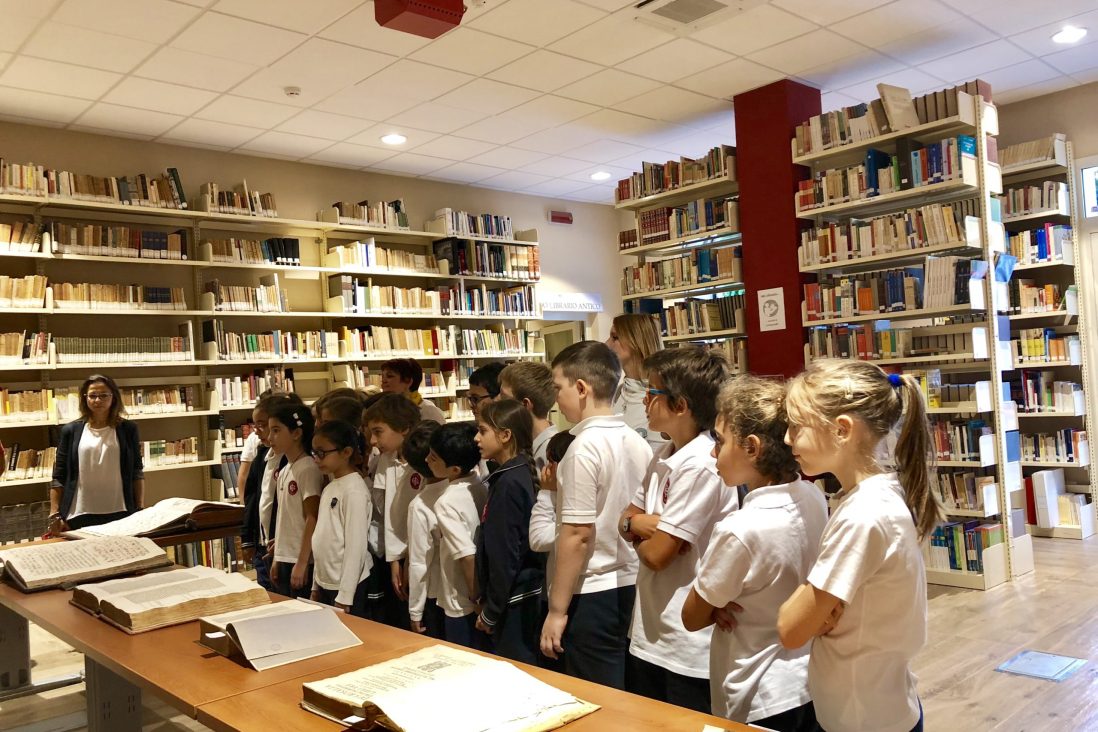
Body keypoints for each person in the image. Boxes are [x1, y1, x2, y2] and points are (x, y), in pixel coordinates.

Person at [778, 359, 940, 732]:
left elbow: (790, 629)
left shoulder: (863, 515)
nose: (787, 439)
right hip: (871, 707)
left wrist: (813, 607)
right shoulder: (870, 497)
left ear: (842, 430)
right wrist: (821, 608)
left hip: (863, 719)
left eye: (796, 425)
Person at [681, 375, 826, 730]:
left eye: (720, 440)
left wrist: (714, 607)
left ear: (752, 447)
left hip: (759, 689)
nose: (713, 452)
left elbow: (692, 616)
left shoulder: (740, 528)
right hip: (808, 676)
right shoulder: (813, 496)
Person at [619, 346, 735, 712]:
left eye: (652, 394)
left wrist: (643, 530)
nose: (646, 402)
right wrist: (637, 524)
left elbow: (657, 556)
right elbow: (625, 518)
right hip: (651, 629)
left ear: (680, 405)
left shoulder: (702, 464)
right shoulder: (663, 453)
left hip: (686, 644)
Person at [540, 341, 652, 689]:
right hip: (631, 581)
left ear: (581, 388)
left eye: (558, 388)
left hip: (592, 587)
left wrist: (557, 610)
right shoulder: (636, 440)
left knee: (596, 693)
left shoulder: (582, 447)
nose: (556, 398)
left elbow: (578, 534)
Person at [474, 399, 545, 663]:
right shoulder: (513, 474)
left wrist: (491, 611)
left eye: (482, 431)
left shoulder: (508, 484)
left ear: (505, 435)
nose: (477, 438)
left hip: (514, 599)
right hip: (521, 594)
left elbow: (504, 555)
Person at [50, 374, 144, 533]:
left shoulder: (128, 429)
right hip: (79, 512)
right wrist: (54, 513)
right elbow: (59, 476)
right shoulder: (70, 431)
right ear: (85, 398)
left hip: (121, 510)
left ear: (113, 397)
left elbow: (137, 471)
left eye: (103, 395)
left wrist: (140, 508)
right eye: (92, 395)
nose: (97, 400)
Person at [426, 422, 488, 648]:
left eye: (433, 458)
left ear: (453, 469)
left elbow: (466, 555)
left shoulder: (446, 502)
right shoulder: (480, 483)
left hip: (462, 599)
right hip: (481, 588)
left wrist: (477, 599)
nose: (426, 460)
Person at [364, 393, 422, 629]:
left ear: (404, 428)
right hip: (396, 554)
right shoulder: (386, 460)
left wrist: (408, 556)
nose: (372, 440)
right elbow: (387, 511)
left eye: (378, 432)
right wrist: (395, 559)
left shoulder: (423, 463)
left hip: (420, 555)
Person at [310, 420, 373, 616]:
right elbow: (321, 538)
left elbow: (356, 546)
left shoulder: (354, 490)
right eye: (314, 453)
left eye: (322, 453)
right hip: (327, 579)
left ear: (346, 452)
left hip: (348, 585)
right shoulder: (331, 486)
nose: (317, 459)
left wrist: (345, 595)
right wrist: (315, 583)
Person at [499, 361, 559, 553]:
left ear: (525, 405)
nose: (496, 403)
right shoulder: (526, 446)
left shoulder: (552, 453)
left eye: (504, 398)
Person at [268, 403, 322, 598]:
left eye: (276, 430)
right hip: (285, 557)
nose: (270, 437)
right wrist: (278, 557)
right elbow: (284, 518)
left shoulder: (307, 468)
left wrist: (302, 562)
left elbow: (312, 517)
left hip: (301, 559)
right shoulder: (284, 470)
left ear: (296, 433)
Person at [251, 392, 304, 589]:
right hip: (269, 545)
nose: (262, 433)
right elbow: (255, 497)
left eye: (274, 429)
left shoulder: (301, 466)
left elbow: (308, 517)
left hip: (290, 551)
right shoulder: (265, 455)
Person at [403, 421, 447, 639]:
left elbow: (419, 561)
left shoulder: (420, 505)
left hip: (436, 593)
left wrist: (415, 610)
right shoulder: (471, 484)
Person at [606, 313, 666, 449]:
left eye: (615, 338)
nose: (607, 344)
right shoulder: (618, 392)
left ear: (636, 341)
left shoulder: (662, 397)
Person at [380, 358, 446, 423]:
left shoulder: (428, 412)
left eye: (390, 376)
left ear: (408, 381)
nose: (383, 381)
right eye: (382, 376)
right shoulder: (384, 409)